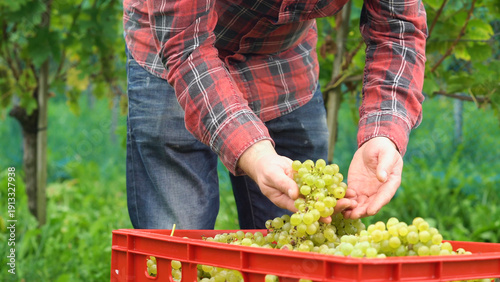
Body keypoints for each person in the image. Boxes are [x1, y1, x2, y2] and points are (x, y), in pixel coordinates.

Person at [122, 0, 427, 230]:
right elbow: (186, 47)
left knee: (299, 240)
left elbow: (398, 29)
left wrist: (385, 131)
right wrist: (254, 154)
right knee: (176, 238)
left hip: (284, 62)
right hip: (175, 52)